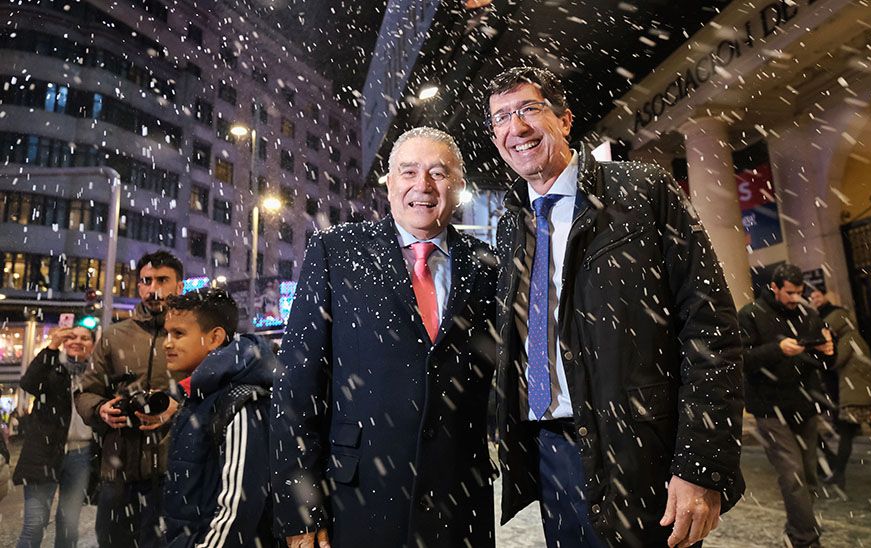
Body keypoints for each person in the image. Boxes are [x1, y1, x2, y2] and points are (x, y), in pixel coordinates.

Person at [489, 66, 745, 548]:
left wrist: (701, 465)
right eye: (501, 117)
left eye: (529, 109)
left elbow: (710, 325)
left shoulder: (644, 191)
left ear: (565, 120)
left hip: (641, 452)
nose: (515, 128)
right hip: (551, 456)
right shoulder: (511, 226)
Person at [271, 127, 498, 548]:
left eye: (438, 173)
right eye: (408, 172)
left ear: (459, 184)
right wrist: (300, 506)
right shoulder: (335, 251)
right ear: (389, 182)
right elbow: (296, 388)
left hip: (459, 500)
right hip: (357, 499)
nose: (422, 186)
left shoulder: (488, 266)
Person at [75, 251, 185, 548]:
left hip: (173, 470)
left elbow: (211, 393)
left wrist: (178, 406)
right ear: (138, 286)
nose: (154, 289)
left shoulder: (189, 335)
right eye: (147, 281)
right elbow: (86, 392)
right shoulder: (114, 336)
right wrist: (101, 409)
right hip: (118, 469)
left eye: (163, 280)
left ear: (179, 286)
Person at [161, 288, 279, 548]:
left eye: (178, 333)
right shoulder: (198, 396)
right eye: (166, 333)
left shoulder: (241, 401)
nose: (167, 343)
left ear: (214, 337)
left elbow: (237, 508)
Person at [740, 264, 834, 548]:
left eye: (799, 292)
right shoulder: (751, 314)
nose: (795, 298)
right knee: (792, 475)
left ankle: (796, 531)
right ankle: (806, 539)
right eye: (789, 293)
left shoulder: (808, 314)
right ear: (774, 287)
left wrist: (829, 349)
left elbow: (824, 362)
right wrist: (777, 350)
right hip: (771, 408)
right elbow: (741, 359)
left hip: (805, 405)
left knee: (809, 475)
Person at [808, 289, 871, 493]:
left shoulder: (848, 339)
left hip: (855, 397)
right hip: (865, 393)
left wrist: (825, 352)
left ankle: (840, 476)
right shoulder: (857, 338)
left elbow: (835, 363)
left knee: (850, 436)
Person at [13, 326, 96, 548]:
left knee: (69, 525)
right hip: (44, 452)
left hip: (82, 454)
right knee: (34, 525)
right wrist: (52, 347)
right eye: (72, 337)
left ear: (93, 345)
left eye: (85, 338)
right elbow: (29, 383)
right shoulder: (52, 366)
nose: (78, 341)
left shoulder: (97, 374)